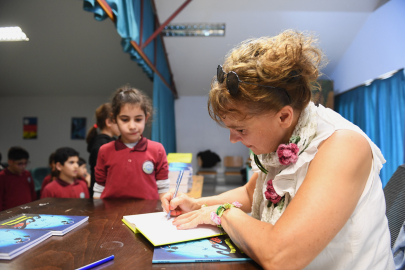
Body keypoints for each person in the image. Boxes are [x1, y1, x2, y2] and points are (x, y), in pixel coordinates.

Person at [161, 30, 395, 269]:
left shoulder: (343, 147)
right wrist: (197, 204)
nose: (233, 139)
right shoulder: (283, 137)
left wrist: (222, 213)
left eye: (241, 130)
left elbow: (280, 256)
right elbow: (252, 194)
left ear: (283, 116)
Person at [94, 85, 169, 200]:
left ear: (146, 118)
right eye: (125, 120)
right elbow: (99, 188)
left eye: (138, 119)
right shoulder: (104, 150)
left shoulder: (157, 149)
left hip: (147, 214)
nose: (132, 126)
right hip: (110, 214)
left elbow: (163, 188)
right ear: (114, 119)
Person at [86, 103, 120, 198]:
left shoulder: (111, 142)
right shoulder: (102, 146)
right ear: (109, 122)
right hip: (103, 196)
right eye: (120, 120)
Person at [0, 147, 36, 211]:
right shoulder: (2, 176)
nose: (23, 166)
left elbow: (32, 193)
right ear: (10, 162)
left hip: (27, 212)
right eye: (20, 164)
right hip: (10, 215)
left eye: (25, 163)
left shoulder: (27, 174)